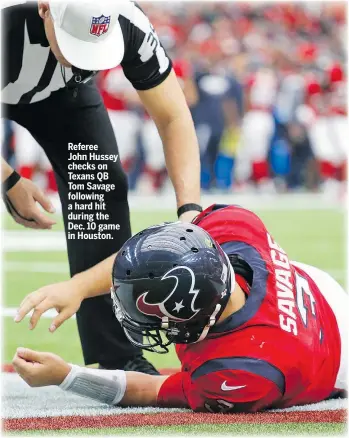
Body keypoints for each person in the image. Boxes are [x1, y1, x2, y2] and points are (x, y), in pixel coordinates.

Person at [2, 1, 201, 373]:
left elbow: (173, 115)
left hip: (64, 99)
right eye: (74, 43)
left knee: (100, 187)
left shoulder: (130, 22)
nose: (85, 61)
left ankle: (118, 355)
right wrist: (9, 179)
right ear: (45, 10)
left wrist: (189, 207)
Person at [13, 205, 347, 413]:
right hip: (314, 289)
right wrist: (78, 287)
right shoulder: (236, 225)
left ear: (194, 322)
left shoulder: (241, 371)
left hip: (335, 358)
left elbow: (153, 389)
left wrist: (66, 376)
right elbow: (156, 257)